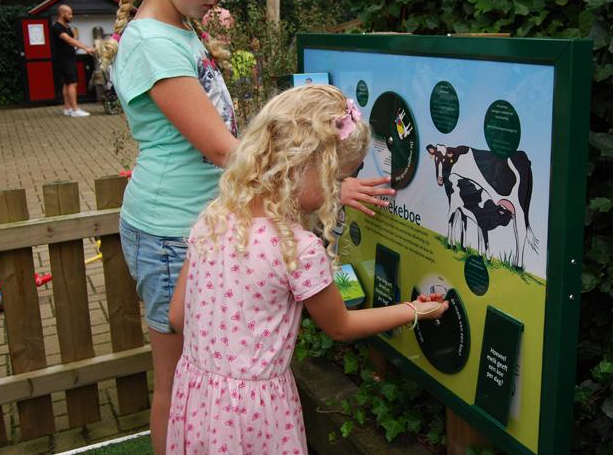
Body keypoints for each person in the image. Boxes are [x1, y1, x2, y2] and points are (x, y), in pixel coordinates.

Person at [98, 0, 393, 453]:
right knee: (181, 380)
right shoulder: (152, 42)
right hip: (175, 229)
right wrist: (323, 183)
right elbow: (220, 148)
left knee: (206, 378)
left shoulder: (178, 32)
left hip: (212, 225)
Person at [166, 85, 448, 454]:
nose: (337, 192)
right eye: (336, 179)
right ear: (304, 168)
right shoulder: (298, 249)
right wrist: (414, 310)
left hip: (199, 400)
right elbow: (339, 326)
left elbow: (177, 317)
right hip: (256, 415)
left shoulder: (213, 219)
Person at [51, 4, 95, 117]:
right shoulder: (57, 27)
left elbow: (73, 40)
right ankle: (75, 110)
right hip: (64, 60)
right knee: (72, 83)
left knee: (67, 84)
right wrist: (86, 48)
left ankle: (67, 108)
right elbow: (69, 40)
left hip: (69, 59)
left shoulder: (66, 26)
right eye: (69, 13)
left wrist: (85, 47)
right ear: (62, 14)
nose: (71, 16)